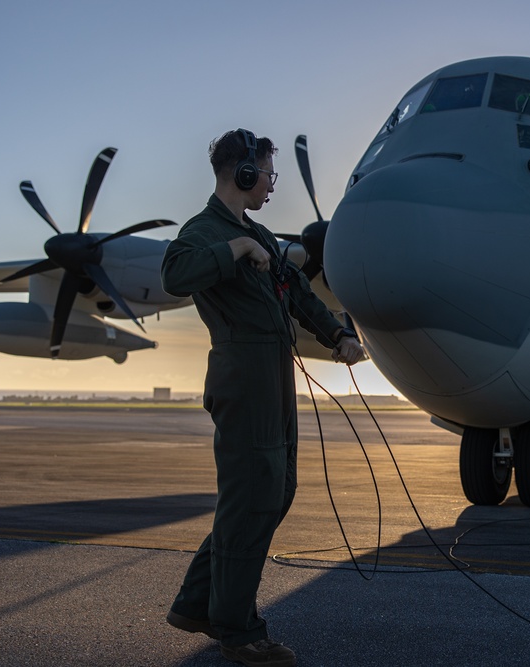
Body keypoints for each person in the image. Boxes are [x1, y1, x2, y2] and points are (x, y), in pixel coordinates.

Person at [161, 129, 362, 667]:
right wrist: (235, 248)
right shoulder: (205, 232)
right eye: (268, 174)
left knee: (272, 491)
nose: (272, 184)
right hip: (242, 376)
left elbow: (294, 289)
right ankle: (238, 629)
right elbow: (175, 273)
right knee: (251, 497)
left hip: (274, 374)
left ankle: (198, 602)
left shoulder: (263, 235)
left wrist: (337, 334)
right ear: (243, 173)